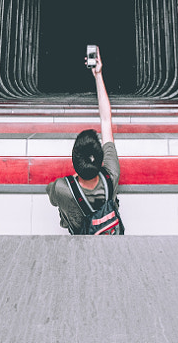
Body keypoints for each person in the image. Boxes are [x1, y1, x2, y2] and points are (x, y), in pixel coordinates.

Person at [46, 45, 120, 234]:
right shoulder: (111, 175)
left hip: (80, 240)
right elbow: (106, 120)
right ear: (101, 157)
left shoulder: (62, 188)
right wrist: (99, 75)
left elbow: (51, 195)